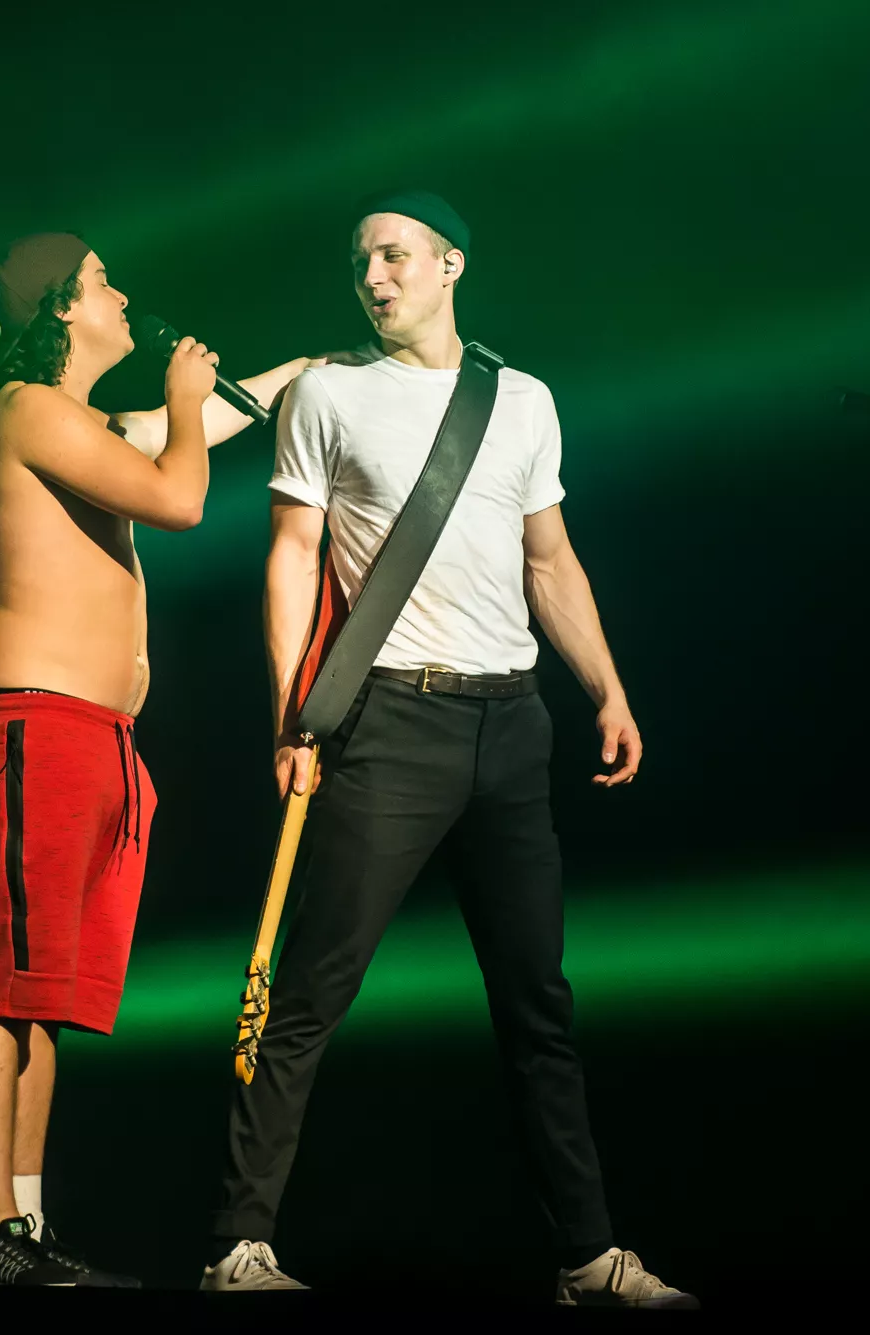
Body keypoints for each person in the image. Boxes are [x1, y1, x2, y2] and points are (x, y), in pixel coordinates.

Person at [202, 192, 695, 1309]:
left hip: (511, 725)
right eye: (360, 262)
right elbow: (291, 555)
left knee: (538, 1003)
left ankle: (588, 1258)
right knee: (310, 992)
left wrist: (607, 688)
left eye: (393, 256)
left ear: (449, 265)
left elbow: (549, 561)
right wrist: (291, 715)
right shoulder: (328, 395)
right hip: (388, 721)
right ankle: (238, 1245)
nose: (373, 278)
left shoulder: (521, 400)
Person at [0, 232, 310, 1286]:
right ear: (61, 307)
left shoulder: (81, 423)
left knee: (45, 995)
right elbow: (179, 495)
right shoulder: (26, 411)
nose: (122, 296)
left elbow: (178, 431)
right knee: (1, 986)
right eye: (103, 280)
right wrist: (188, 399)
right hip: (37, 729)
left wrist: (306, 371)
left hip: (96, 739)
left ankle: (26, 1225)